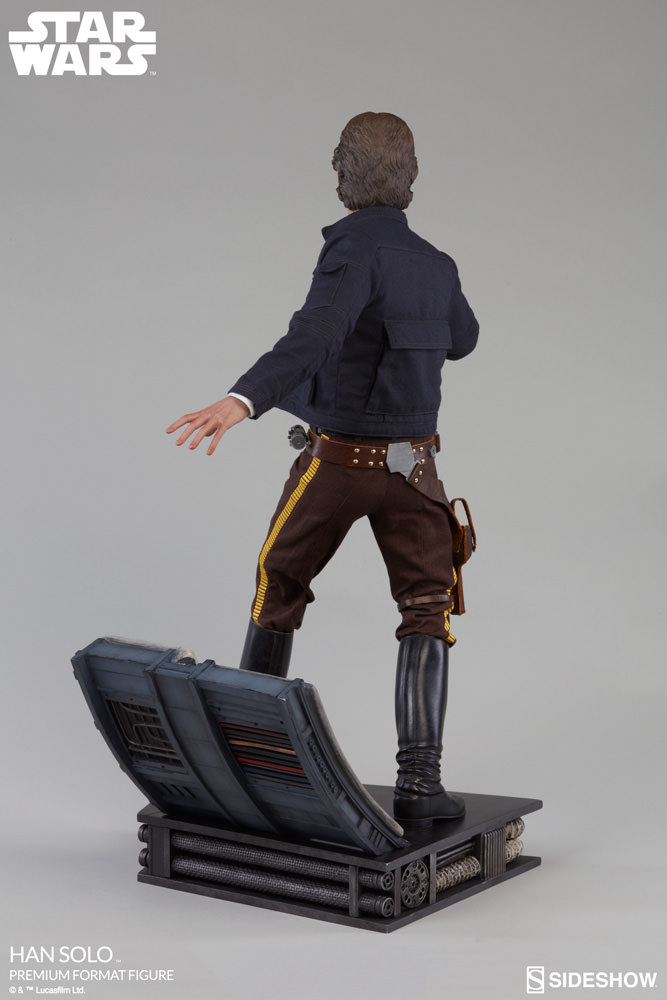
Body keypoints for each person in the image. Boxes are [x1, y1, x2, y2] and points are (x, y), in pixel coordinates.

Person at [166, 112, 479, 823]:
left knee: (278, 583)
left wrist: (243, 400)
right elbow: (462, 339)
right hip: (416, 471)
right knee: (427, 609)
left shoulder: (351, 250)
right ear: (411, 177)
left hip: (338, 465)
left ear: (340, 173)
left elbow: (314, 336)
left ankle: (252, 767)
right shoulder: (436, 263)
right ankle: (420, 785)